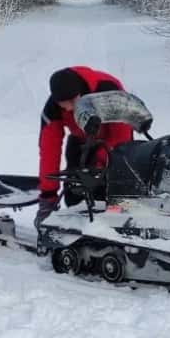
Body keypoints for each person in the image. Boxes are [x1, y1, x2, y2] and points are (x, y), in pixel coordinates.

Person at [35, 67, 133, 228]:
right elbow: (49, 152)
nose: (68, 109)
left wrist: (100, 168)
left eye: (73, 102)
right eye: (63, 105)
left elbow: (120, 139)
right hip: (80, 141)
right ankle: (79, 230)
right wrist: (48, 196)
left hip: (113, 142)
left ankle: (117, 224)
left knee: (110, 188)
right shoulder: (52, 109)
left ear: (81, 93)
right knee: (74, 194)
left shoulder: (109, 90)